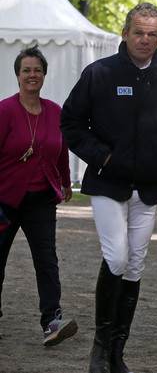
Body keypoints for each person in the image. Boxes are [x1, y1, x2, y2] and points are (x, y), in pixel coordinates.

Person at [60, 3, 157, 373]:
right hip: (107, 183)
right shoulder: (100, 73)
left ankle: (117, 352)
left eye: (153, 34)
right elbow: (71, 122)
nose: (145, 40)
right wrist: (102, 157)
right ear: (125, 33)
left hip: (149, 186)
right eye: (139, 32)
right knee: (117, 257)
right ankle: (99, 348)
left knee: (135, 265)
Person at [0, 44, 78, 346]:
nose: (32, 75)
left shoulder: (55, 111)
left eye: (37, 70)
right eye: (26, 70)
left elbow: (61, 151)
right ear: (18, 76)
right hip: (5, 200)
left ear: (44, 74)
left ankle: (52, 322)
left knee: (47, 261)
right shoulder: (5, 111)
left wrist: (66, 183)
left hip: (42, 199)